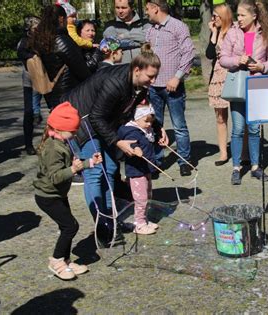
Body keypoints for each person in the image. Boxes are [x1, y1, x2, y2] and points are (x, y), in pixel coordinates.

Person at [60, 44, 167, 245]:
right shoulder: (115, 83)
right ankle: (104, 227)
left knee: (109, 168)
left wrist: (159, 129)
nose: (153, 81)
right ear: (137, 70)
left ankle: (113, 221)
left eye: (155, 77)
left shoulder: (140, 85)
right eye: (150, 77)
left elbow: (139, 110)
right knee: (94, 173)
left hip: (102, 123)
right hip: (81, 123)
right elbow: (96, 117)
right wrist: (118, 142)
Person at [33, 102, 103, 280]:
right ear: (59, 129)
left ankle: (65, 259)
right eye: (71, 131)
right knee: (70, 226)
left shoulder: (61, 141)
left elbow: (73, 166)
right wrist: (73, 169)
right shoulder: (52, 149)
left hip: (58, 194)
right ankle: (56, 261)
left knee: (67, 226)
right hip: (47, 196)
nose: (74, 135)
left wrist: (90, 162)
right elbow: (55, 177)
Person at [219, 0, 268, 185]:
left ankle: (255, 166)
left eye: (243, 15)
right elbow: (223, 59)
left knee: (254, 129)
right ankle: (236, 167)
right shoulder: (233, 32)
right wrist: (238, 60)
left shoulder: (265, 33)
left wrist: (262, 66)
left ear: (254, 16)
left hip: (258, 86)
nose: (239, 19)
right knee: (237, 129)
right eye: (238, 15)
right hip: (237, 86)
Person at [145, 0, 196, 177]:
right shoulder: (151, 29)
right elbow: (146, 54)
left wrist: (177, 77)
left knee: (179, 125)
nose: (146, 13)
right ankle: (157, 162)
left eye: (147, 9)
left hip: (172, 86)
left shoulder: (178, 26)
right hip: (153, 86)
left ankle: (184, 161)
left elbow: (189, 52)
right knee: (155, 125)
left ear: (155, 8)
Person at [29, 4, 91, 109]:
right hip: (69, 96)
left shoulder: (43, 41)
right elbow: (83, 72)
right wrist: (98, 55)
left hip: (53, 96)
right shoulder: (61, 41)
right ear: (61, 19)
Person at [118, 105, 160, 235]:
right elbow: (131, 141)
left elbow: (150, 141)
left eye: (150, 122)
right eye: (146, 121)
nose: (148, 124)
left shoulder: (145, 130)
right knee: (141, 198)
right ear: (136, 119)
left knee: (148, 195)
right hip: (135, 171)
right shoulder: (131, 130)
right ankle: (139, 224)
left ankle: (144, 219)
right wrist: (136, 148)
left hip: (145, 169)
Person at [205, 2, 233, 166]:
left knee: (238, 118)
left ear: (223, 16)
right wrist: (214, 33)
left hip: (233, 75)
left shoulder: (234, 31)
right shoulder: (216, 32)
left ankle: (243, 153)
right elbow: (209, 54)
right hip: (218, 76)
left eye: (215, 16)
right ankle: (223, 153)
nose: (213, 19)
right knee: (220, 117)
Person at [17, 15, 41, 155]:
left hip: (44, 78)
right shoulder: (24, 41)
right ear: (29, 29)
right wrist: (33, 56)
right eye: (35, 27)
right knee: (29, 112)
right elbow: (21, 53)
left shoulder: (43, 38)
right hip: (29, 80)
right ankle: (28, 144)